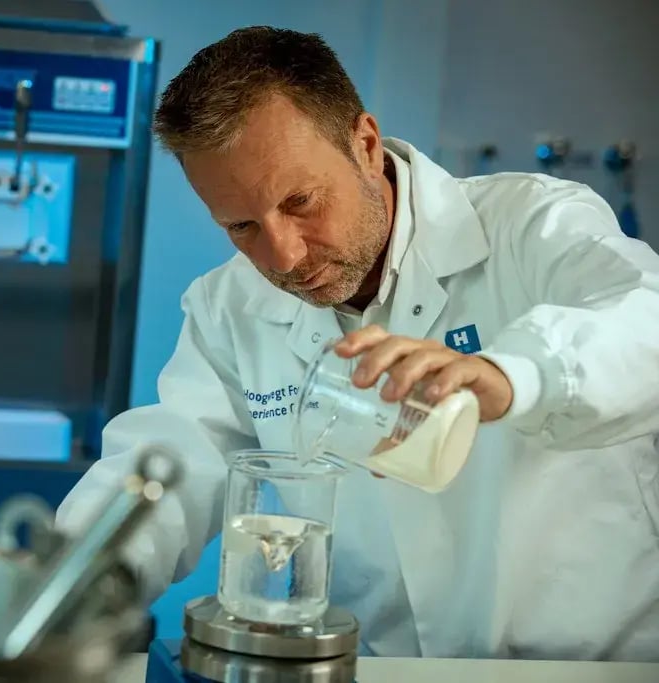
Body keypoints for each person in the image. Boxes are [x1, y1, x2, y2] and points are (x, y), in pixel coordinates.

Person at [56, 26, 659, 661]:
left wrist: (513, 376)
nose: (283, 254)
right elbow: (166, 473)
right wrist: (58, 591)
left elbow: (645, 319)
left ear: (365, 145)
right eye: (241, 226)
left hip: (595, 670)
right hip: (386, 672)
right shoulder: (228, 308)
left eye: (301, 201)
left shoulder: (531, 224)